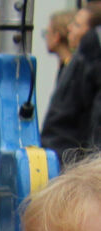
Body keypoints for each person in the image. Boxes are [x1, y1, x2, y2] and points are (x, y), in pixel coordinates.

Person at [43, 4, 101, 159]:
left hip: (76, 161)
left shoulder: (82, 65)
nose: (70, 28)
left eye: (77, 24)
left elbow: (63, 124)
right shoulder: (76, 65)